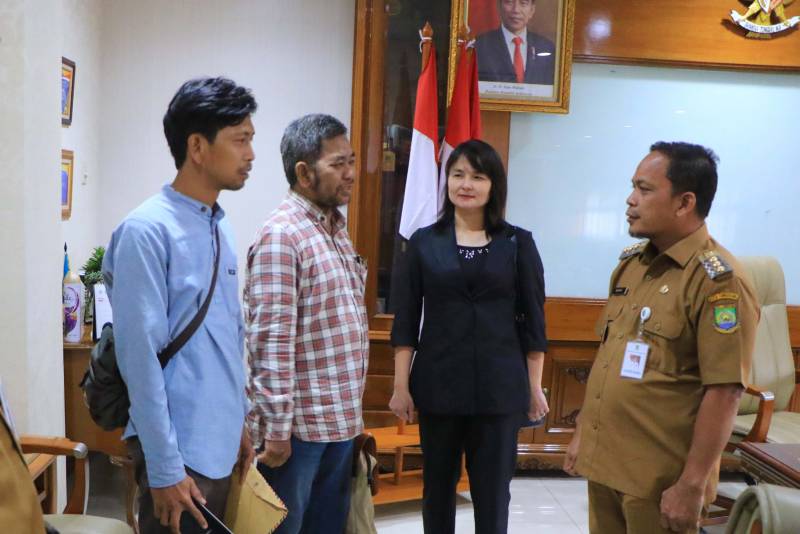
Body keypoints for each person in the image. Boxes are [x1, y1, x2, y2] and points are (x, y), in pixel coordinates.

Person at [563, 142, 759, 533]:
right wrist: (583, 430)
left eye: (645, 189)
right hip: (607, 464)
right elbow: (609, 354)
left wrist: (692, 484)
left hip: (659, 481)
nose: (630, 199)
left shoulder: (718, 281)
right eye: (633, 187)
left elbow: (725, 391)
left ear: (685, 203)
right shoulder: (632, 265)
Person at [103, 77, 257, 534]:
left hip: (219, 441)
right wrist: (165, 467)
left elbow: (226, 337)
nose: (251, 154)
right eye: (240, 140)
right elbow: (139, 359)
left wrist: (238, 422)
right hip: (178, 453)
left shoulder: (218, 224)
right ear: (198, 147)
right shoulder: (146, 231)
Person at [390, 139, 549, 534]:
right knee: (437, 490)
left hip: (499, 389)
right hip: (438, 386)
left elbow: (534, 322)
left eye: (478, 176)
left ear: (493, 185)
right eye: (458, 174)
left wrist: (534, 386)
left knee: (493, 494)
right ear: (446, 181)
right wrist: (400, 386)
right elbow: (406, 320)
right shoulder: (424, 242)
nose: (466, 184)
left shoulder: (518, 242)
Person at [245, 113, 368, 534]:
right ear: (303, 173)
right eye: (338, 164)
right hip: (297, 434)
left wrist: (353, 419)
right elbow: (271, 342)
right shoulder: (283, 235)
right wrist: (277, 431)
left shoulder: (333, 228)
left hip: (337, 422)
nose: (350, 174)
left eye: (351, 161)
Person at [475, 0, 556, 85]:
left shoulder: (546, 48)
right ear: (499, 7)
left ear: (532, 10)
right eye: (509, 2)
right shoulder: (480, 46)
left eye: (523, 3)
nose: (516, 10)